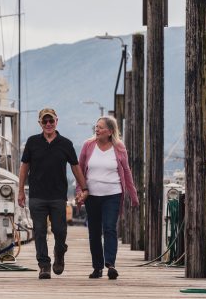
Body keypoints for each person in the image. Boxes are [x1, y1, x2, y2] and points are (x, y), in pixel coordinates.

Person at [18, 108, 88, 279]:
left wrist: (84, 188)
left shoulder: (66, 144)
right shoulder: (32, 142)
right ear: (40, 123)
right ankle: (44, 265)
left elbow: (75, 167)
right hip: (37, 196)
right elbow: (24, 167)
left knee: (60, 230)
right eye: (44, 121)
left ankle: (60, 252)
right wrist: (20, 191)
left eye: (51, 121)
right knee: (40, 231)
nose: (48, 124)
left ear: (57, 121)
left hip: (58, 196)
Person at [76, 116, 139, 279]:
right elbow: (80, 170)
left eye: (101, 127)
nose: (97, 130)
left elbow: (126, 171)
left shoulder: (119, 147)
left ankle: (110, 264)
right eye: (96, 127)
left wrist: (133, 195)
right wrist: (79, 191)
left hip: (113, 194)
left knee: (110, 228)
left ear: (110, 131)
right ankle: (97, 267)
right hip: (92, 195)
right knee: (94, 232)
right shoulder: (88, 145)